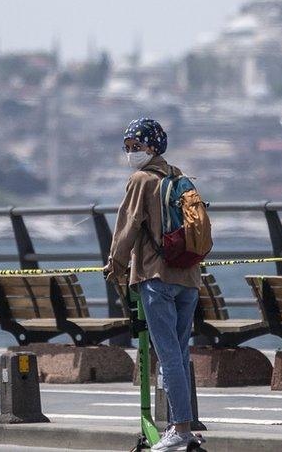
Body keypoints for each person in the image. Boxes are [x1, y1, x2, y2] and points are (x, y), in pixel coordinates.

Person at [102, 118, 203, 452]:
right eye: (128, 147)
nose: (131, 153)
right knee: (179, 351)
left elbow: (127, 226)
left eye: (137, 146)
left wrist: (116, 265)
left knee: (168, 355)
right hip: (188, 279)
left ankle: (180, 429)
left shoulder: (141, 180)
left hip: (156, 278)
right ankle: (181, 427)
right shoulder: (179, 177)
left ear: (152, 147)